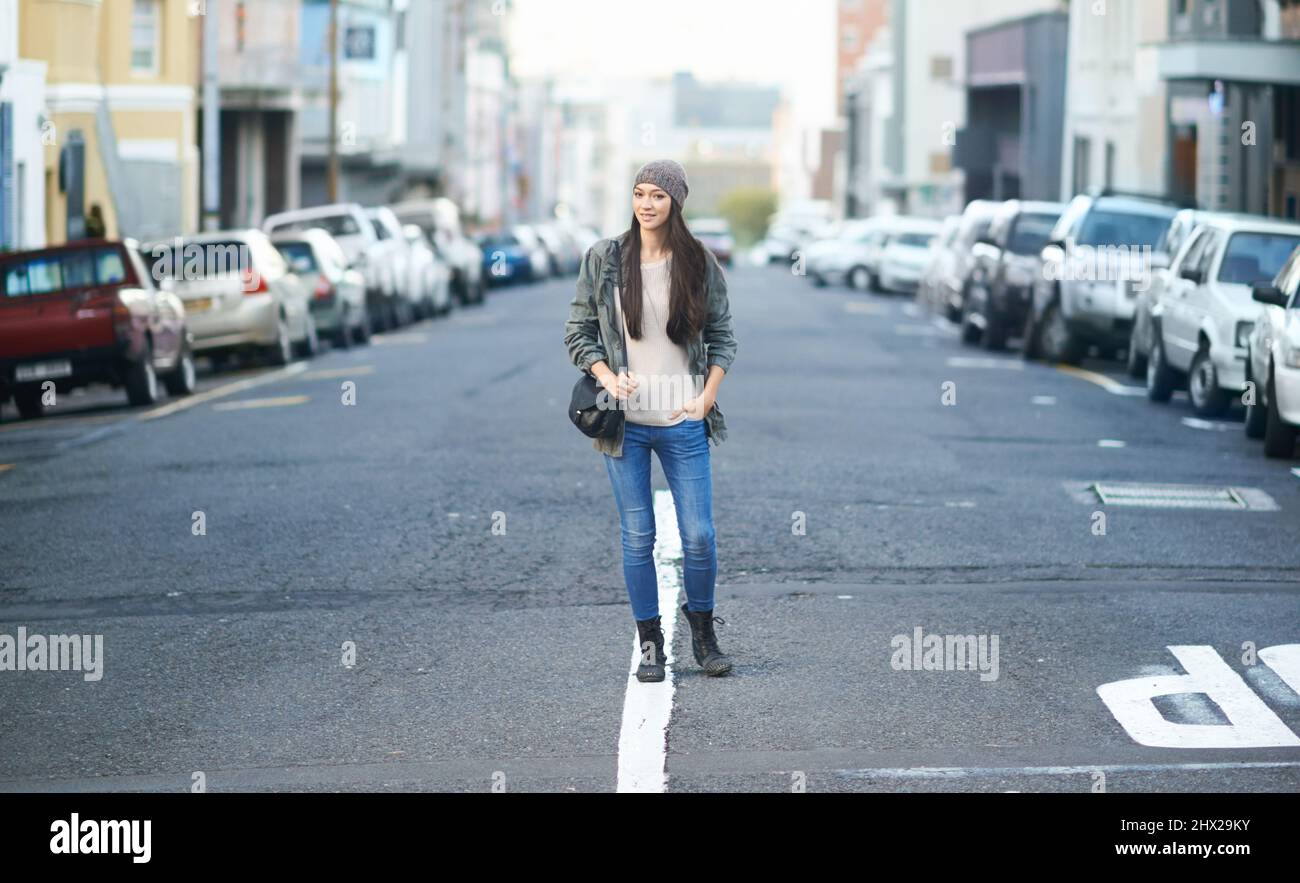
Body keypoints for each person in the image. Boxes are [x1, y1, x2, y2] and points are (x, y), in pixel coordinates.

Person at [563, 159, 738, 683]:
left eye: (658, 195)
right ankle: (650, 642)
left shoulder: (698, 263)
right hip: (625, 423)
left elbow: (724, 336)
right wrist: (606, 377)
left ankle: (702, 632)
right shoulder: (605, 259)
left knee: (699, 536)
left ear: (676, 202)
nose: (646, 203)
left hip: (683, 416)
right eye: (639, 193)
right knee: (638, 535)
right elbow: (578, 331)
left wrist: (706, 397)